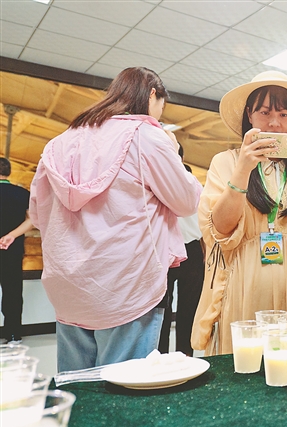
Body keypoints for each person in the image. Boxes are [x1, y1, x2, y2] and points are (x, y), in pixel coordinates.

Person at [29, 67, 202, 372]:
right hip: (127, 286)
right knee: (124, 388)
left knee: (78, 387)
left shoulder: (59, 142)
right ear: (152, 94)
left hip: (68, 288)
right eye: (161, 106)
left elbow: (38, 214)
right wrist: (174, 153)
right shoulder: (146, 136)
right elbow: (187, 201)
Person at [191, 71, 287, 355]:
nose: (274, 123)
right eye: (265, 112)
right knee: (245, 364)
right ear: (249, 115)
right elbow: (219, 229)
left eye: (284, 114)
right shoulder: (226, 161)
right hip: (242, 283)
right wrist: (243, 169)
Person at [158, 145, 205, 356]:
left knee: (184, 307)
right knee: (167, 307)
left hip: (186, 249)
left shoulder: (189, 181)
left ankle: (179, 356)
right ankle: (168, 356)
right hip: (170, 250)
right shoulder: (162, 180)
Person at [0, 158, 35, 344]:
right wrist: (11, 235)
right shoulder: (22, 193)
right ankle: (13, 335)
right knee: (13, 292)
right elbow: (32, 220)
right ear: (9, 172)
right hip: (12, 250)